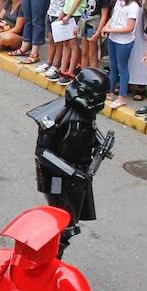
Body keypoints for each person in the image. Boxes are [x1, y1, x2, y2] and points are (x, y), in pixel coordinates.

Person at [27, 68, 113, 251]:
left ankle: (52, 257)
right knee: (62, 224)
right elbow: (42, 151)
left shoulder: (86, 113)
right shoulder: (55, 115)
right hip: (58, 177)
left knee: (69, 222)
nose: (101, 103)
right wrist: (71, 172)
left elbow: (89, 129)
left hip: (79, 173)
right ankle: (48, 257)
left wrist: (100, 144)